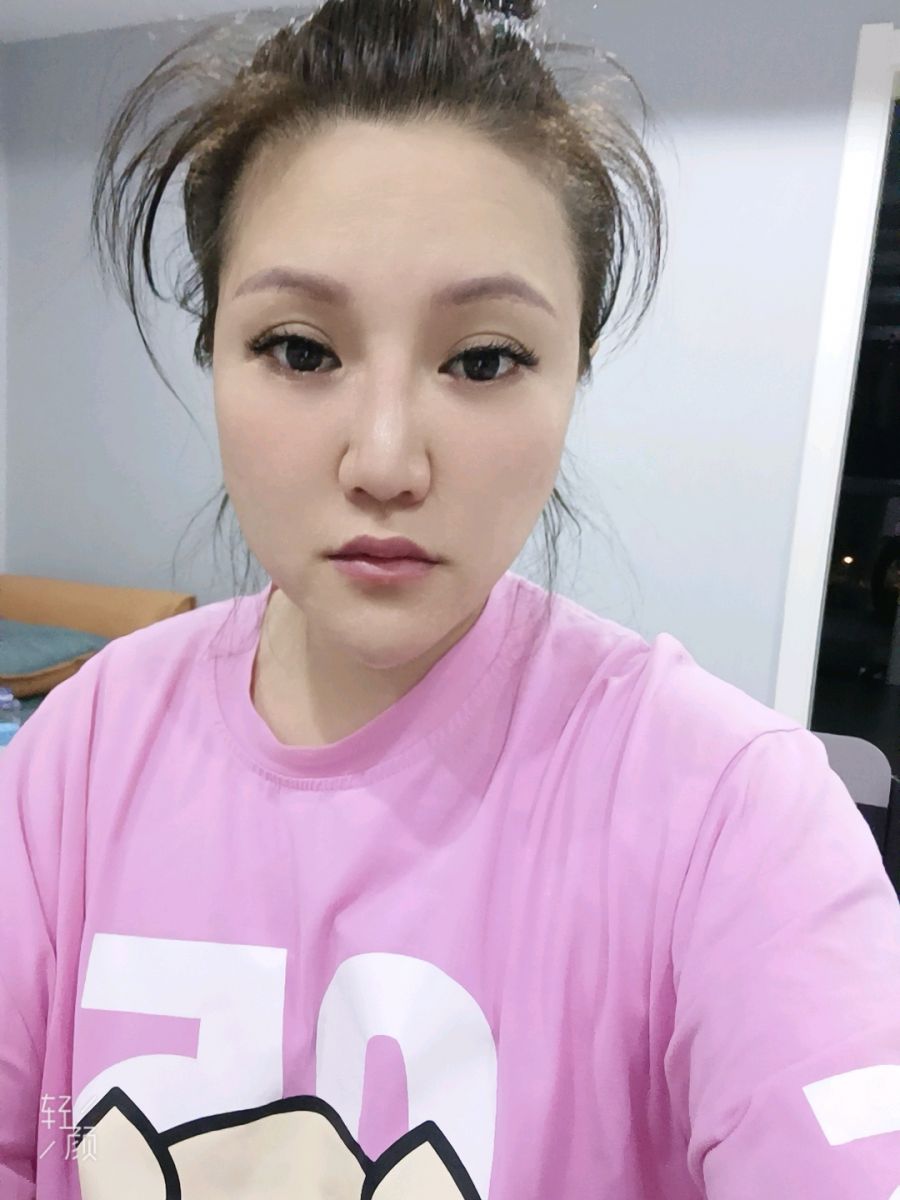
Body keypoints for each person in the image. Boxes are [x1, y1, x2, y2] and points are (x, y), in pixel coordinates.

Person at [2, 0, 899, 1196]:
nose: (385, 461)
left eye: (483, 359)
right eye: (300, 349)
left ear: (574, 373)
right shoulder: (81, 752)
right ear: (214, 351)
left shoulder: (732, 816)